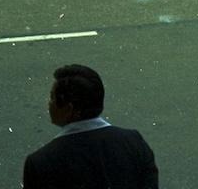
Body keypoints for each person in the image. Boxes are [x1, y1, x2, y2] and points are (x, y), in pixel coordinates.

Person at [22, 64, 158, 189]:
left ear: (69, 109)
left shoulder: (41, 163)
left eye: (52, 97)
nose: (49, 104)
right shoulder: (134, 143)